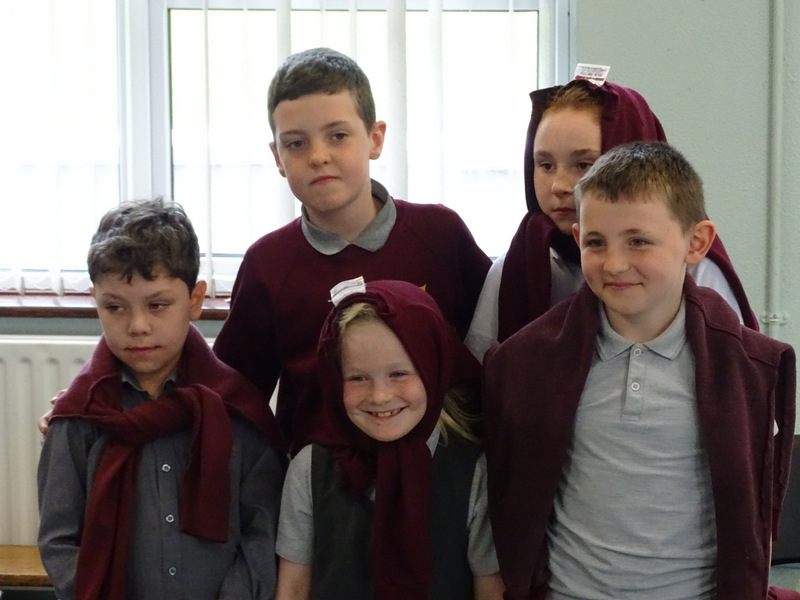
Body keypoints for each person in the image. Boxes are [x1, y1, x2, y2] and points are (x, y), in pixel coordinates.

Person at [483, 141, 796, 600]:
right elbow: (507, 498)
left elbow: (757, 515)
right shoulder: (527, 362)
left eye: (638, 241)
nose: (614, 264)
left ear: (696, 243)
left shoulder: (751, 369)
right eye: (596, 242)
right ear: (578, 239)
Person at [211, 47, 491, 453]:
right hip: (319, 481)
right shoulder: (266, 265)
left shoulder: (440, 234)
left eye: (338, 136)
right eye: (296, 143)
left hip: (440, 471)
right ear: (277, 157)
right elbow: (238, 398)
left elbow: (488, 355)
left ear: (375, 139)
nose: (318, 156)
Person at [37, 198, 286, 600]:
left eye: (157, 305)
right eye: (115, 307)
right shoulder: (78, 418)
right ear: (95, 301)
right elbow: (59, 539)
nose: (137, 326)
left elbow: (263, 530)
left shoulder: (237, 409)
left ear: (195, 300)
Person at [465, 77, 757, 361]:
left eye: (583, 164)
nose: (559, 186)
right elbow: (482, 370)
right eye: (545, 165)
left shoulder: (693, 267)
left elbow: (731, 372)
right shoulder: (515, 265)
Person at [275, 279, 504, 600]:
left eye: (399, 374)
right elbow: (293, 588)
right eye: (358, 378)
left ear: (433, 369)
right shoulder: (309, 468)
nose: (380, 396)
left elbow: (491, 589)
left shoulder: (473, 470)